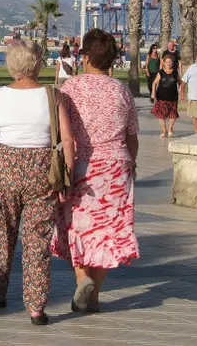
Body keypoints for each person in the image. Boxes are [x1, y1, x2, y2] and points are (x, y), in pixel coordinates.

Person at [0, 40, 75, 326]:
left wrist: (3, 140)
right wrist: (68, 177)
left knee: (2, 234)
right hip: (41, 170)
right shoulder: (52, 96)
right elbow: (67, 140)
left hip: (5, 168)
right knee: (37, 239)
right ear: (37, 62)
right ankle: (36, 305)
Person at [52, 28, 139, 314]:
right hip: (117, 165)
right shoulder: (121, 90)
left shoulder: (72, 88)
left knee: (73, 225)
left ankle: (82, 278)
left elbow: (61, 131)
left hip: (83, 164)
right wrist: (131, 164)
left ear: (86, 57)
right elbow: (132, 136)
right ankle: (95, 294)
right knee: (108, 232)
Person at [150, 51, 180, 138]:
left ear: (172, 63)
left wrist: (182, 91)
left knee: (173, 115)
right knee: (161, 115)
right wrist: (153, 92)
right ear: (164, 62)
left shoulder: (175, 72)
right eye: (167, 62)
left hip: (173, 97)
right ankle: (164, 130)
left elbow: (180, 82)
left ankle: (170, 129)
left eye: (170, 62)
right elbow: (155, 83)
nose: (168, 64)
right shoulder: (161, 72)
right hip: (161, 97)